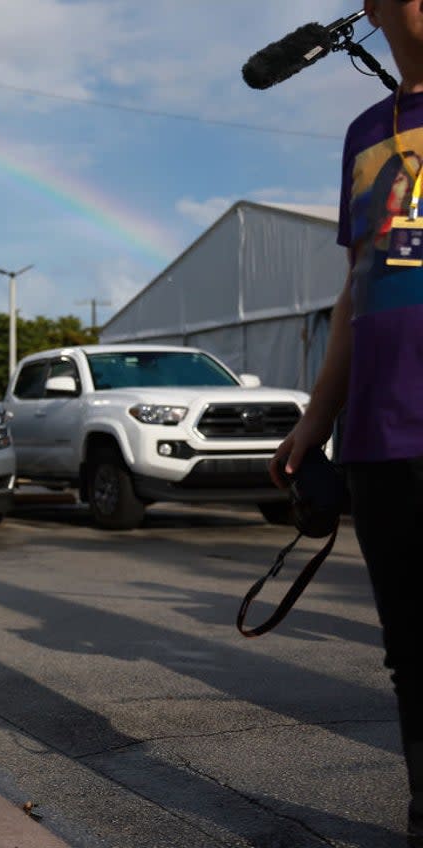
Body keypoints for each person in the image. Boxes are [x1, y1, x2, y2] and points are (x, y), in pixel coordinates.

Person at [271, 2, 423, 842]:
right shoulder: (368, 131)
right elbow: (358, 287)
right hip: (380, 435)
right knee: (411, 658)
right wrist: (313, 423)